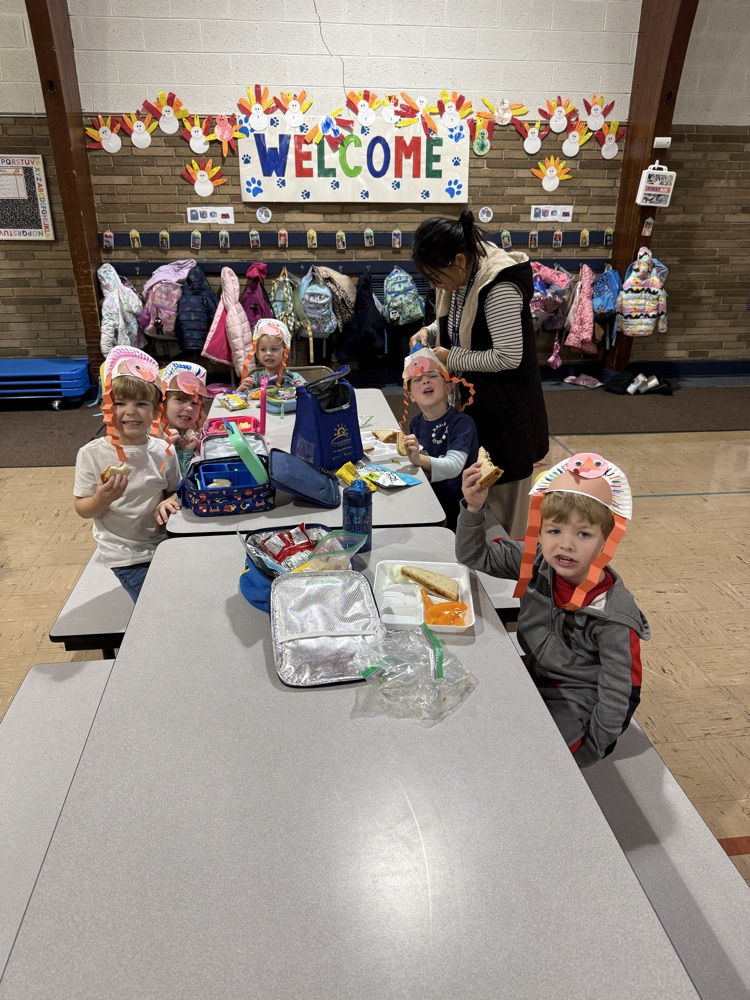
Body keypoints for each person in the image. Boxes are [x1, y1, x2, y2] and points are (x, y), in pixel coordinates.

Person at [456, 451, 648, 766]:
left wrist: (589, 748)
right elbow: (473, 555)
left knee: (524, 761)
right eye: (554, 530)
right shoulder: (537, 559)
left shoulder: (614, 615)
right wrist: (474, 507)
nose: (565, 544)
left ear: (605, 541)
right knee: (470, 711)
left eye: (583, 534)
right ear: (540, 532)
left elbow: (619, 695)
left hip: (574, 704)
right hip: (532, 674)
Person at [410, 210, 549, 539]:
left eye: (435, 276)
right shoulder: (462, 276)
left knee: (501, 525)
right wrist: (430, 332)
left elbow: (509, 356)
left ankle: (504, 587)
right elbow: (459, 324)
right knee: (476, 507)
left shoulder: (498, 286)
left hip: (507, 419)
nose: (433, 285)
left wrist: (451, 356)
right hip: (478, 410)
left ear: (459, 260)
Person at [73, 347, 181, 603]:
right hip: (123, 551)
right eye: (120, 403)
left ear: (156, 412)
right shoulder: (91, 454)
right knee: (154, 606)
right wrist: (102, 498)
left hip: (164, 542)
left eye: (141, 404)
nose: (130, 411)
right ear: (106, 408)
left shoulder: (164, 451)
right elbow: (83, 508)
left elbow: (176, 489)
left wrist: (171, 499)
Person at [401, 346, 478, 531]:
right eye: (417, 379)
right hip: (429, 500)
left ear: (448, 388)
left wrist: (419, 458)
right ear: (411, 395)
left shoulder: (462, 424)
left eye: (433, 376)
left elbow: (453, 466)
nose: (425, 380)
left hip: (457, 508)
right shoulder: (415, 423)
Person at [160, 360, 208, 477]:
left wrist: (185, 451)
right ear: (163, 402)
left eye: (195, 403)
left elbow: (184, 479)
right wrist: (161, 450)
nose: (189, 408)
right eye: (180, 400)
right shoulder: (150, 435)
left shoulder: (189, 432)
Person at [237, 318, 306, 392]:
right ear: (257, 352)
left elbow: (308, 399)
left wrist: (302, 389)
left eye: (274, 349)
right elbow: (237, 400)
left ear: (284, 351)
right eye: (263, 349)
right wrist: (240, 390)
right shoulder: (255, 379)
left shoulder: (294, 378)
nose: (268, 353)